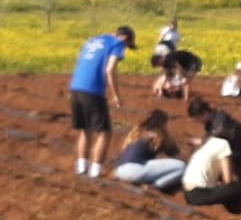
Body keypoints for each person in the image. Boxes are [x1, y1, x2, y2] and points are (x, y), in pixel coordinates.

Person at [69, 26, 134, 178]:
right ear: (125, 38)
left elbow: (80, 60)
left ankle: (81, 168)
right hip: (93, 90)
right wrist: (116, 95)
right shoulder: (117, 43)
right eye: (127, 45)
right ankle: (95, 171)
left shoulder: (93, 40)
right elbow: (110, 69)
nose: (125, 49)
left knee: (85, 129)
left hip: (76, 87)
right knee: (105, 132)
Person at [114, 109, 186, 190]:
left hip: (119, 171)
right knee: (182, 167)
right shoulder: (159, 135)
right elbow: (178, 156)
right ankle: (154, 186)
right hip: (136, 171)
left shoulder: (137, 132)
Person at [182, 134, 241, 211]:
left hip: (188, 193)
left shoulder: (209, 142)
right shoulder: (224, 145)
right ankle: (233, 205)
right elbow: (228, 181)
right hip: (200, 194)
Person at [186, 95, 241, 170]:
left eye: (198, 119)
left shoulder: (221, 120)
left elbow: (219, 136)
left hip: (239, 156)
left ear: (205, 113)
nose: (198, 122)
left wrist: (201, 141)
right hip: (231, 150)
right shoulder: (213, 120)